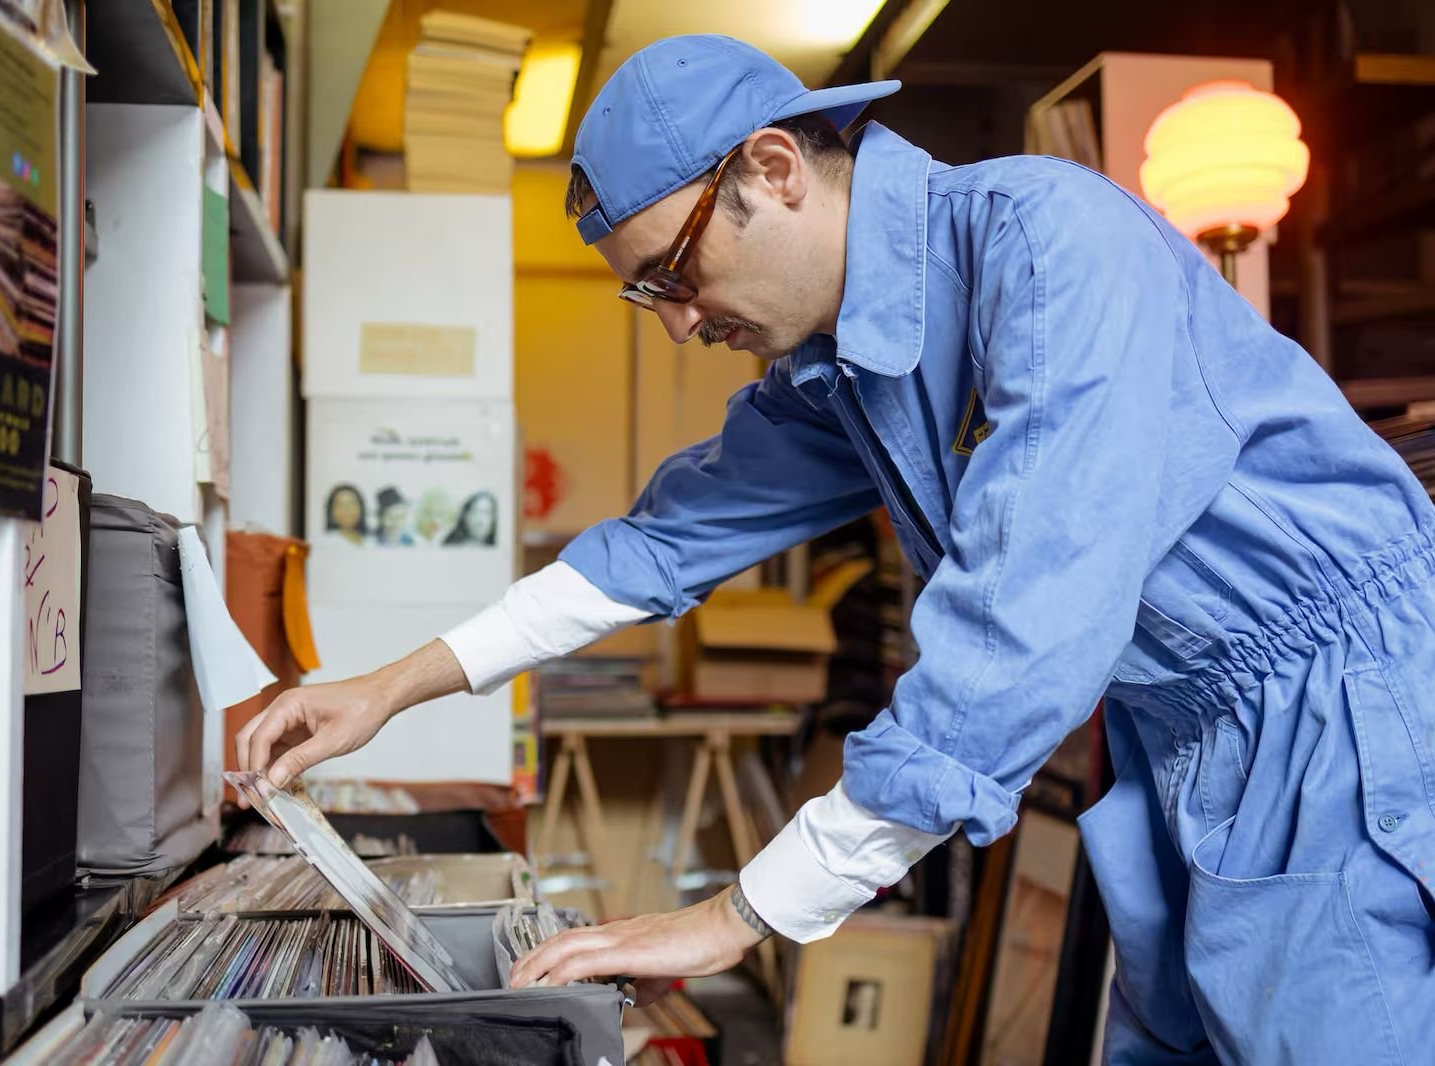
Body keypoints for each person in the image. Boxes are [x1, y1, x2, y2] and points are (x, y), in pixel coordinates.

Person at [238, 36, 1435, 1062]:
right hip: (1182, 740)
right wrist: (388, 687)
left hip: (1339, 712)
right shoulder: (840, 370)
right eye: (645, 296)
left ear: (773, 169)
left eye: (673, 273)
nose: (678, 323)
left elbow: (1019, 626)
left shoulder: (1048, 245)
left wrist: (736, 913)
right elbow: (663, 541)